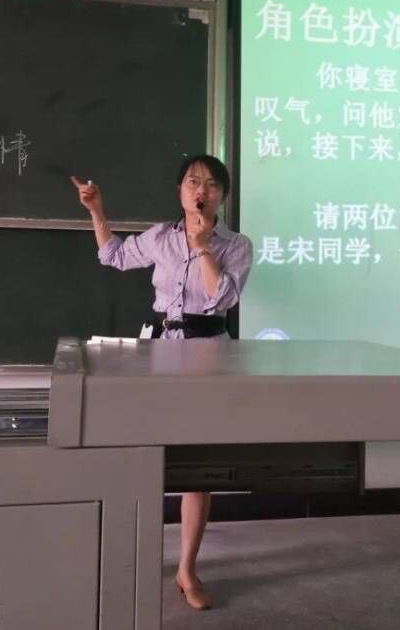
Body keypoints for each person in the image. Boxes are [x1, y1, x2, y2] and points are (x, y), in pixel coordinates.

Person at [71, 154, 253, 610]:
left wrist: (204, 247)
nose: (201, 190)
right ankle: (131, 556)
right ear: (179, 191)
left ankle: (187, 569)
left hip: (209, 355)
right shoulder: (159, 237)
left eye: (211, 184)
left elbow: (223, 298)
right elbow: (113, 256)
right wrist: (96, 210)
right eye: (193, 182)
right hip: (158, 353)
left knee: (196, 466)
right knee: (143, 454)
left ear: (222, 196)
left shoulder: (236, 245)